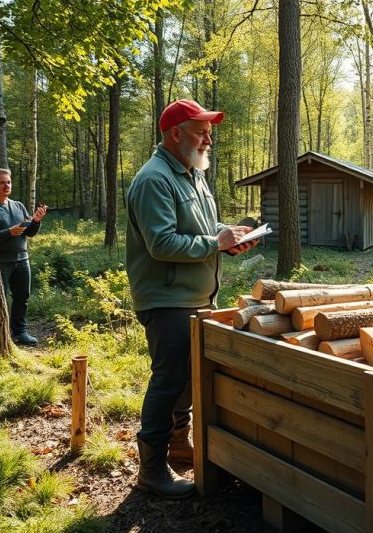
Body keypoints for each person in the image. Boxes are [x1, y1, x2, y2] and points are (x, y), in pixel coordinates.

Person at [126, 99, 257, 499]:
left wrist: (228, 236)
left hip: (197, 296)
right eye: (202, 132)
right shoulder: (153, 180)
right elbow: (162, 243)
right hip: (167, 300)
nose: (209, 139)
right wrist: (212, 243)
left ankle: (180, 447)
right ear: (175, 133)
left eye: (210, 132)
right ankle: (151, 469)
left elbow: (200, 227)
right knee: (168, 381)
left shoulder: (191, 175)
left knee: (187, 379)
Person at [0, 168, 47, 346]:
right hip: (2, 261)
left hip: (22, 259)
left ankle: (20, 333)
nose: (6, 185)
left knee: (22, 296)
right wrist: (9, 232)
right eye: (2, 182)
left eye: (8, 182)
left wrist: (36, 221)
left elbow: (29, 233)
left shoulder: (18, 206)